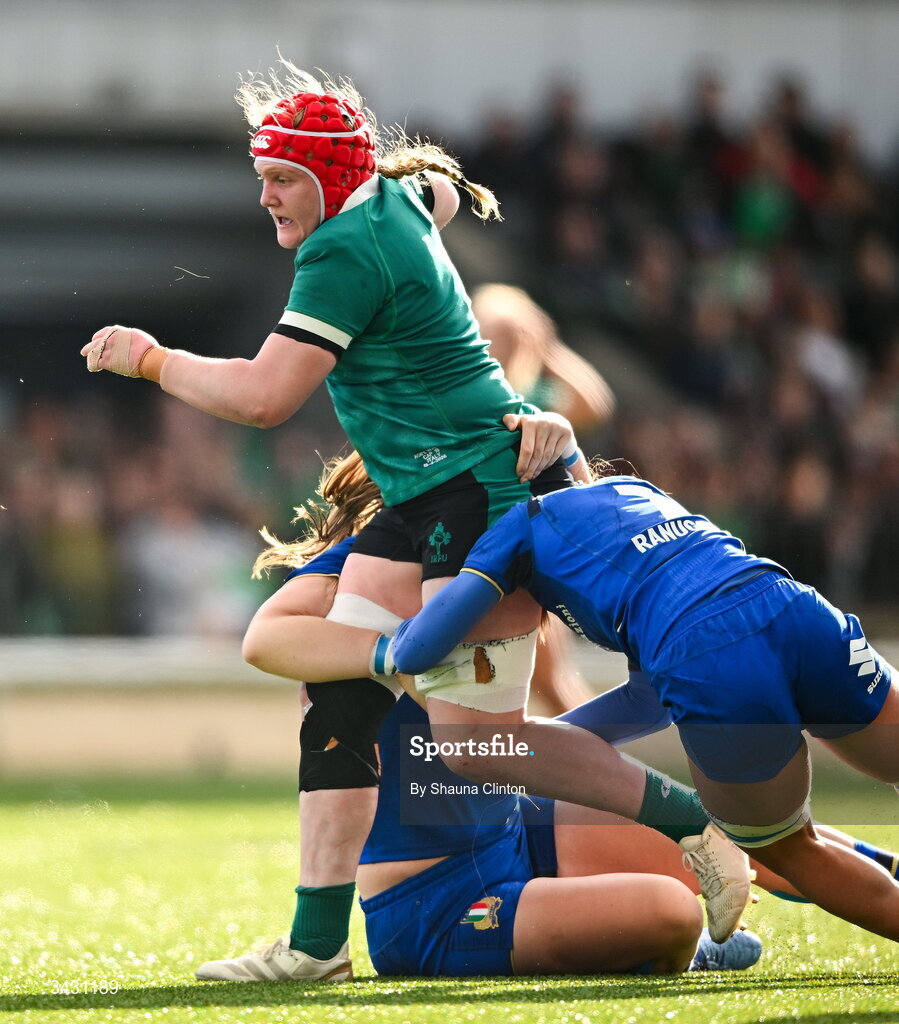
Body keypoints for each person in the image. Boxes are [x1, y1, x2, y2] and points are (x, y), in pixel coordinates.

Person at [82, 61, 749, 977]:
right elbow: (432, 192)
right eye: (262, 176)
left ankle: (694, 827)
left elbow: (267, 397)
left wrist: (153, 360)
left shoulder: (341, 250)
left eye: (283, 179)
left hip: (475, 495)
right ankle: (315, 948)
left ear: (329, 176)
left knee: (475, 748)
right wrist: (425, 185)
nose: (266, 197)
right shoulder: (388, 199)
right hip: (424, 496)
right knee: (342, 699)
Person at [196, 515, 898, 980]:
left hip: (514, 833)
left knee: (732, 841)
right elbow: (265, 640)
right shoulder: (368, 579)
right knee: (671, 911)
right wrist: (398, 654)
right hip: (432, 902)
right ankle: (676, 945)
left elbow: (530, 737)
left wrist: (565, 750)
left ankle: (881, 867)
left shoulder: (492, 556)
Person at [377, 467, 899, 943]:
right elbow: (647, 704)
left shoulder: (512, 527)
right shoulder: (632, 489)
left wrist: (373, 632)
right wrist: (537, 749)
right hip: (789, 602)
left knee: (786, 847)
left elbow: (420, 647)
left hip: (706, 654)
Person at [472, 283, 614, 716]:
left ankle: (604, 771)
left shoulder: (528, 399)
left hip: (522, 556)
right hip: (492, 551)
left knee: (551, 684)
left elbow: (595, 403)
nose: (501, 343)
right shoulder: (474, 393)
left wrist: (546, 346)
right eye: (492, 331)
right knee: (539, 686)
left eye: (509, 334)